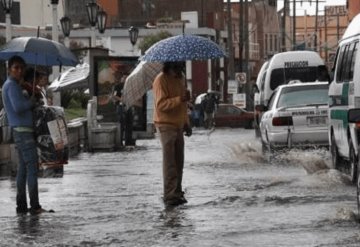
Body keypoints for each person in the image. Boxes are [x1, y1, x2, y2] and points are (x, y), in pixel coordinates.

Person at [2, 56, 49, 215]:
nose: (19, 71)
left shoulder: (13, 85)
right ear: (9, 69)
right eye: (16, 67)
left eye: (21, 68)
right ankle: (35, 206)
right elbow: (18, 107)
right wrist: (32, 101)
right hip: (23, 132)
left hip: (22, 131)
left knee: (23, 169)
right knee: (32, 168)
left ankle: (21, 206)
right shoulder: (12, 86)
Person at [153, 61, 192, 207]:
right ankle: (170, 195)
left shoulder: (180, 79)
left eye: (181, 69)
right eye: (177, 69)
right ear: (170, 67)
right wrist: (179, 99)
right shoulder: (160, 80)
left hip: (178, 125)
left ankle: (177, 191)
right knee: (169, 162)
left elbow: (182, 106)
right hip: (165, 125)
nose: (180, 72)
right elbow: (161, 105)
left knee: (179, 161)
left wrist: (186, 122)